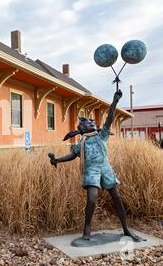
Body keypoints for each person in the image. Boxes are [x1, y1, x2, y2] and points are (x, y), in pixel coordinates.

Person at [48, 90, 144, 242]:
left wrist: (115, 102)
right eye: (89, 122)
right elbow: (73, 155)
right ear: (82, 128)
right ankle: (87, 231)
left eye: (93, 122)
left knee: (117, 198)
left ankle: (126, 229)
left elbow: (110, 118)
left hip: (106, 169)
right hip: (91, 171)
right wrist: (57, 160)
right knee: (91, 199)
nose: (93, 123)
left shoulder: (102, 135)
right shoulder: (82, 142)